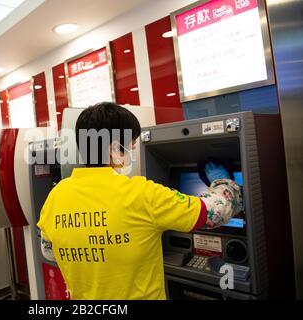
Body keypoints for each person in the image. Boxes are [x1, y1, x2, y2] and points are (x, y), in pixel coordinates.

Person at [37, 102, 242, 300]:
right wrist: (222, 181)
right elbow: (214, 212)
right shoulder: (141, 194)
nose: (131, 154)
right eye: (131, 147)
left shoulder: (57, 195)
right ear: (115, 149)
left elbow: (49, 252)